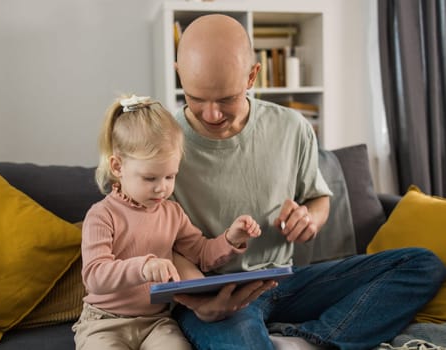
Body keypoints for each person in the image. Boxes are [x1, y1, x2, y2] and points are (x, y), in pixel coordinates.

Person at [169, 14, 446, 350]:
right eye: (196, 98)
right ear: (180, 74)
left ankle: (310, 341)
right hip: (213, 293)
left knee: (422, 265)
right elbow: (144, 238)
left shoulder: (292, 128)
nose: (212, 114)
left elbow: (318, 199)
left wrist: (310, 218)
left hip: (284, 281)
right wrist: (198, 303)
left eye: (226, 99)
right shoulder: (160, 141)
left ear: (252, 76)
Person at [72, 94, 263, 350]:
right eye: (150, 178)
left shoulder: (171, 212)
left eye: (170, 176)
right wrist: (143, 268)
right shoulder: (102, 215)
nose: (162, 189)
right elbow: (95, 276)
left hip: (156, 321)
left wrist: (232, 239)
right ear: (117, 167)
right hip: (103, 322)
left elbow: (201, 254)